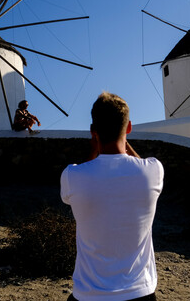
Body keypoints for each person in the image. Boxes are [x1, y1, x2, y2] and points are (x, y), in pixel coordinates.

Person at [60, 92, 164, 301]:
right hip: (140, 292)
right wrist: (123, 143)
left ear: (93, 131)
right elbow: (139, 165)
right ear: (129, 128)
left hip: (88, 294)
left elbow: (84, 176)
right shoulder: (153, 170)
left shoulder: (72, 176)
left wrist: (95, 148)